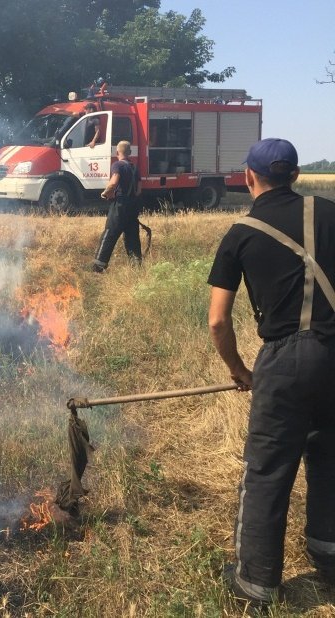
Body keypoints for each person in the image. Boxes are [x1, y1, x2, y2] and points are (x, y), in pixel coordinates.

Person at [207, 138, 335, 607]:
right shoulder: (330, 212)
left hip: (283, 361)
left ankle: (256, 583)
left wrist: (241, 370)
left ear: (249, 178)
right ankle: (329, 552)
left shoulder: (241, 232)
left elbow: (218, 319)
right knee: (330, 459)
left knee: (266, 471)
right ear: (296, 176)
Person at [90, 140, 142, 272]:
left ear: (117, 152)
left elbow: (113, 182)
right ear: (129, 153)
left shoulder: (117, 165)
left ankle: (99, 266)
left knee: (110, 234)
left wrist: (104, 193)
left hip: (119, 206)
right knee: (132, 237)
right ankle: (136, 266)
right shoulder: (135, 168)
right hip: (133, 206)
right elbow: (138, 191)